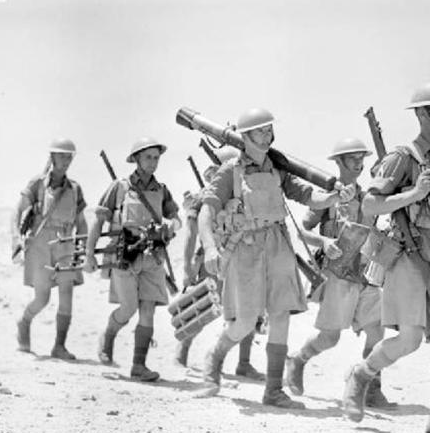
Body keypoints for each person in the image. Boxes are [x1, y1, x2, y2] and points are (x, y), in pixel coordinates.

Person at [342, 82, 430, 433]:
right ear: (421, 114)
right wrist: (414, 194)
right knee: (410, 339)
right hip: (408, 255)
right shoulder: (402, 158)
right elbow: (370, 205)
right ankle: (362, 374)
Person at [194, 108, 354, 406]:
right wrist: (210, 247)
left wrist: (334, 197)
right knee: (245, 322)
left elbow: (308, 195)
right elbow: (207, 210)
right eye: (261, 130)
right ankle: (214, 359)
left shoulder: (278, 169)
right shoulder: (230, 171)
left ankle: (274, 390)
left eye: (269, 129)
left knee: (281, 314)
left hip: (278, 245)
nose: (267, 135)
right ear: (246, 136)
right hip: (245, 248)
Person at [284, 138, 394, 408]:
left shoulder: (367, 197)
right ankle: (297, 360)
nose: (359, 163)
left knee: (376, 330)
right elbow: (302, 232)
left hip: (365, 274)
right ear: (339, 162)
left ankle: (370, 387)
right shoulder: (327, 197)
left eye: (361, 158)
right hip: (339, 274)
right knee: (329, 338)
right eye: (353, 158)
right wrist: (324, 242)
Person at [83, 137, 181, 382]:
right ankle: (108, 336)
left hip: (153, 256)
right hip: (125, 254)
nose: (153, 162)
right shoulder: (120, 187)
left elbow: (176, 218)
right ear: (136, 159)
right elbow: (98, 220)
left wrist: (171, 224)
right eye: (148, 157)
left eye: (156, 157)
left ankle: (139, 366)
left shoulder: (162, 189)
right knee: (128, 308)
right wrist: (89, 254)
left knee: (148, 310)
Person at [174, 149, 265, 381]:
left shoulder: (247, 197)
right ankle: (181, 354)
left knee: (247, 309)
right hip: (213, 261)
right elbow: (191, 234)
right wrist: (187, 267)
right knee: (204, 306)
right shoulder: (204, 198)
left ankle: (244, 363)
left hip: (241, 261)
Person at [13, 138, 87, 359]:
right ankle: (24, 321)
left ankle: (59, 346)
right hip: (40, 244)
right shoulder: (37, 184)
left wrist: (82, 246)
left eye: (69, 156)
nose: (66, 160)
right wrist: (16, 238)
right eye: (62, 155)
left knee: (67, 293)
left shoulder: (75, 188)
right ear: (52, 156)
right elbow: (17, 211)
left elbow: (81, 222)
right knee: (42, 298)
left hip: (65, 243)